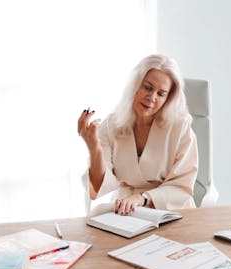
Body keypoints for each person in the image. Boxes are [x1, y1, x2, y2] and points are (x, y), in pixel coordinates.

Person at [78, 54, 198, 216]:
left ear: (168, 98)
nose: (152, 98)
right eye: (148, 87)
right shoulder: (112, 124)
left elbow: (182, 186)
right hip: (126, 210)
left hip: (170, 209)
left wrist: (142, 198)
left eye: (161, 94)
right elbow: (99, 185)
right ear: (135, 85)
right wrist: (94, 147)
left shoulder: (180, 126)